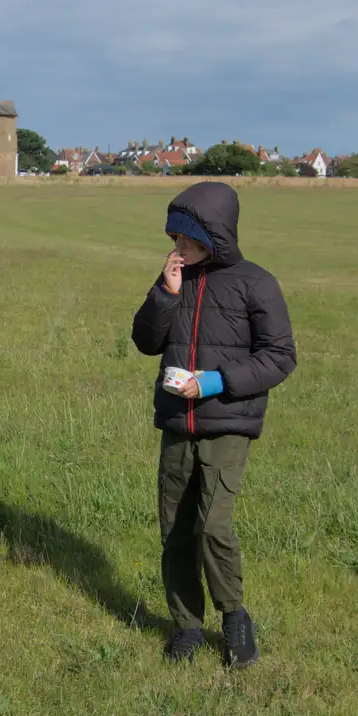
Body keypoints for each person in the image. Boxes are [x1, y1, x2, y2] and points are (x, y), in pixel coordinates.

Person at [131, 181, 296, 667]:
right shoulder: (175, 276)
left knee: (213, 527)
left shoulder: (256, 283)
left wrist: (216, 381)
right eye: (174, 238)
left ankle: (234, 617)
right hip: (176, 425)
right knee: (176, 529)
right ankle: (186, 627)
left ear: (214, 236)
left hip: (227, 424)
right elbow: (144, 341)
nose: (176, 247)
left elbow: (280, 357)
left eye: (186, 239)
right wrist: (166, 293)